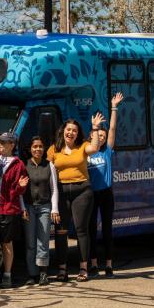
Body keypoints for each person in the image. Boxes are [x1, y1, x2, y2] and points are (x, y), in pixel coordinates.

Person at [47, 113, 105, 282]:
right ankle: (62, 269)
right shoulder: (54, 149)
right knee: (61, 231)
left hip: (82, 191)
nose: (71, 133)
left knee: (81, 230)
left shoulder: (83, 146)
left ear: (77, 133)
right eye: (68, 129)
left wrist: (94, 128)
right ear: (63, 131)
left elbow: (94, 148)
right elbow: (47, 169)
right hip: (61, 192)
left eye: (74, 130)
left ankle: (83, 268)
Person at [88, 92, 124, 278]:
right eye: (98, 135)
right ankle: (93, 264)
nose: (101, 137)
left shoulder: (107, 151)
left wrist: (114, 107)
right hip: (91, 195)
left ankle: (109, 265)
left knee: (107, 230)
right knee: (91, 230)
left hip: (106, 193)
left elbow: (112, 129)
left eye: (103, 135)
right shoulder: (87, 152)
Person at [0, 132, 28, 288]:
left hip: (8, 207)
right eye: (0, 142)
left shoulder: (18, 164)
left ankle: (7, 273)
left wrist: (21, 187)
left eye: (4, 143)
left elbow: (19, 192)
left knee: (6, 242)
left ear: (12, 145)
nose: (0, 145)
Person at [23, 136, 59, 286]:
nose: (38, 149)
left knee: (43, 241)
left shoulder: (49, 165)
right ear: (30, 149)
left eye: (40, 146)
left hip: (44, 207)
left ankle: (43, 273)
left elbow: (54, 188)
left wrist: (54, 208)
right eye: (35, 146)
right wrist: (23, 207)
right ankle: (32, 274)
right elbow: (20, 190)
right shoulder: (24, 166)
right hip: (29, 207)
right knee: (30, 243)